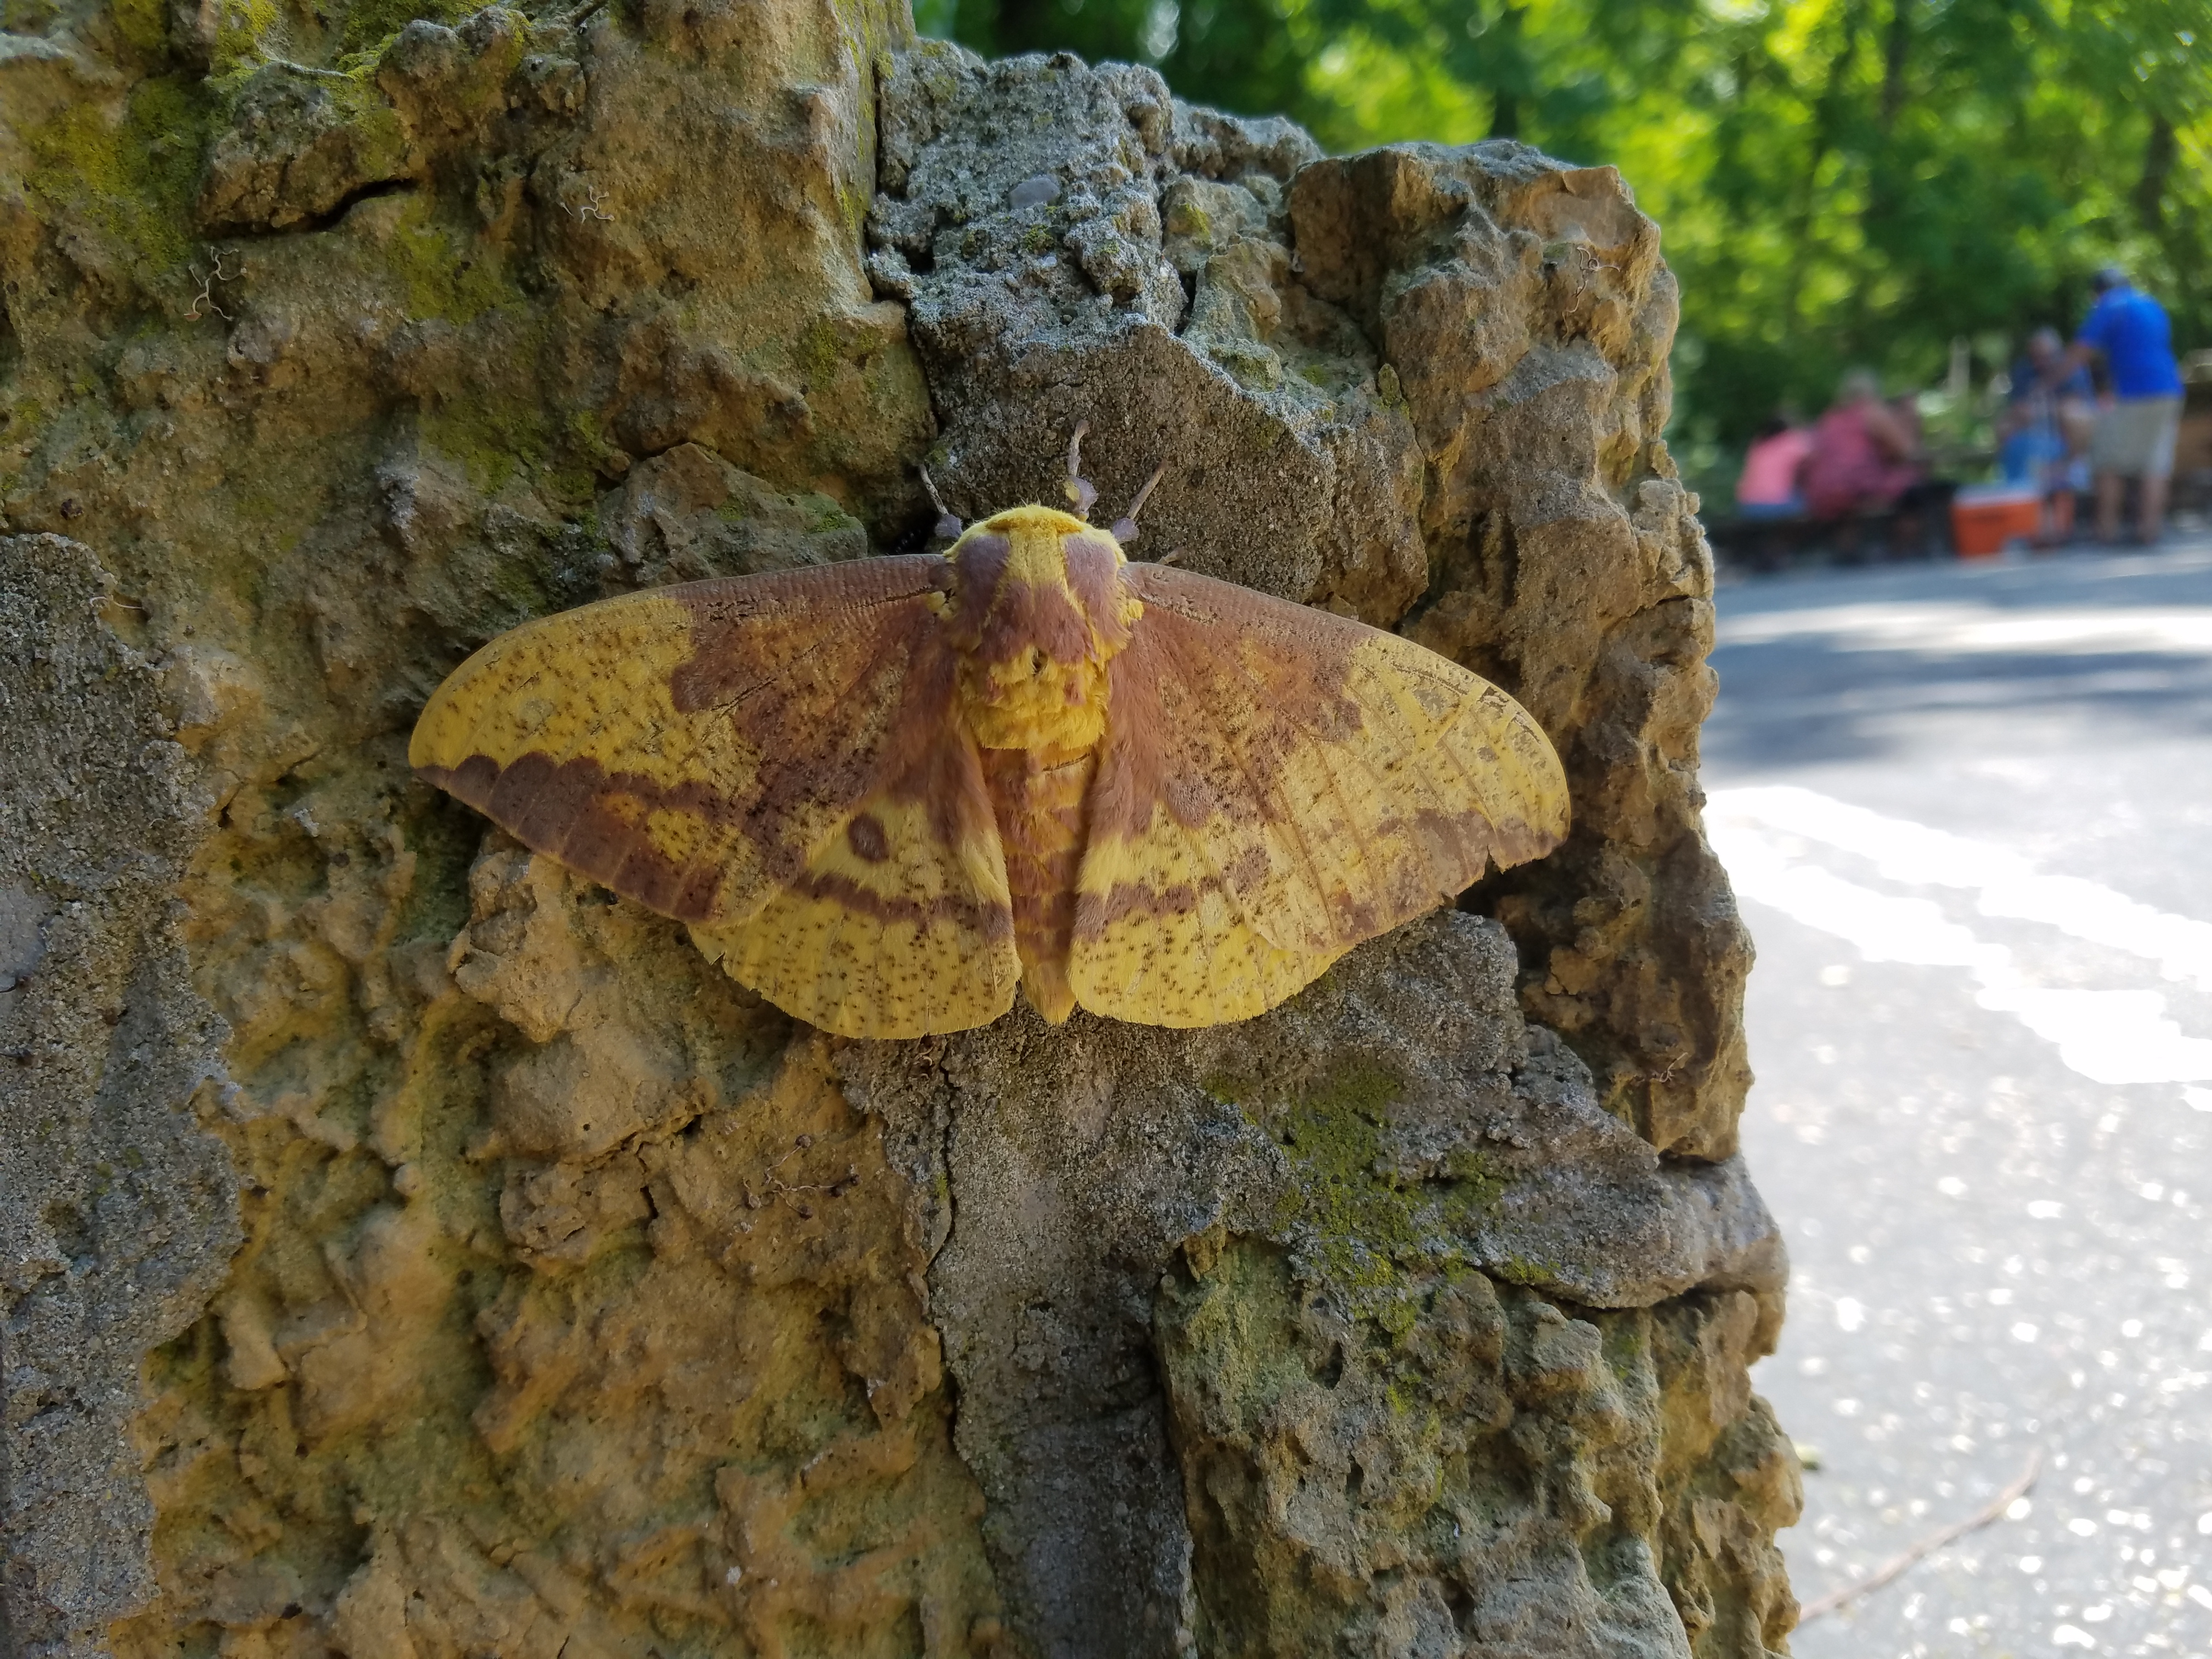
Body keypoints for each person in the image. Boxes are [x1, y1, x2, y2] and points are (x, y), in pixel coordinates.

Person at [2057, 267, 2185, 545]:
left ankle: (2106, 532)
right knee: (2155, 462)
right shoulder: (2152, 304)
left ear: (2098, 291)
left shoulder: (2110, 304)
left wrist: (2051, 381)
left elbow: (2082, 350)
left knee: (2107, 460)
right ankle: (2149, 531)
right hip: (2170, 390)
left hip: (2137, 393)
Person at [2001, 328, 2094, 543]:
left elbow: (2079, 408)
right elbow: (2016, 409)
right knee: (2008, 431)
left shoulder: (2071, 369)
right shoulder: (2024, 371)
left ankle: (2068, 473)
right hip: (2032, 438)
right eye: (2035, 357)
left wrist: (2051, 409)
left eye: (2046, 357)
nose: (2040, 362)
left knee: (2071, 415)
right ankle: (2024, 520)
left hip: (2066, 442)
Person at [1802, 369, 1926, 522]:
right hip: (1857, 490)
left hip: (1821, 495)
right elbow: (1907, 452)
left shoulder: (1829, 418)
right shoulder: (1871, 412)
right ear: (1872, 391)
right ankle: (1912, 542)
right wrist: (1911, 416)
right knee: (1914, 480)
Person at [1735, 414, 1812, 519]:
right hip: (1777, 504)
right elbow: (1815, 452)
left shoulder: (1758, 444)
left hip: (1748, 505)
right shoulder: (1790, 441)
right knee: (1811, 502)